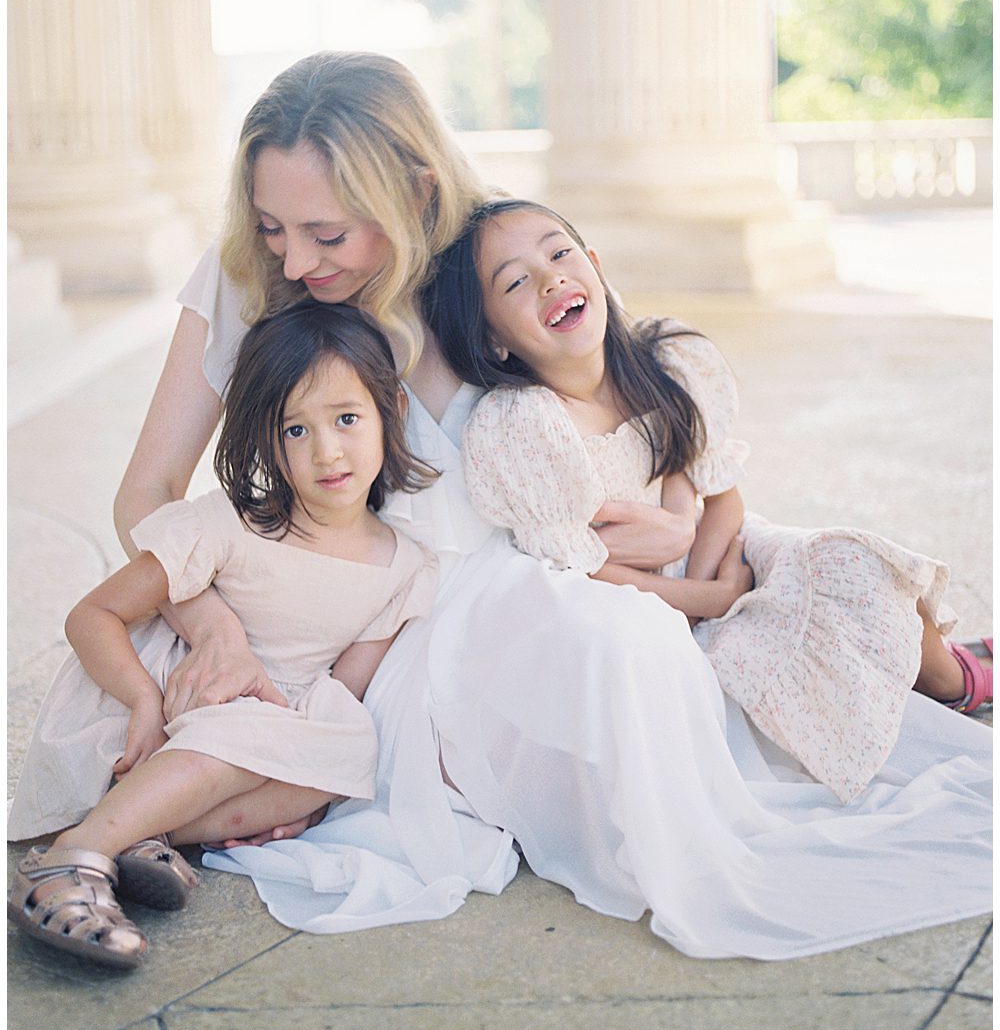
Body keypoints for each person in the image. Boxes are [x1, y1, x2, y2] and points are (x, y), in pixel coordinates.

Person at [94, 51, 989, 960]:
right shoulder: (252, 272)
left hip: (591, 531)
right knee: (620, 642)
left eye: (326, 233)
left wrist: (680, 511)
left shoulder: (505, 258)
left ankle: (947, 672)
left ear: (414, 189)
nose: (295, 257)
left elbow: (650, 392)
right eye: (271, 222)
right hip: (419, 606)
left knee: (834, 572)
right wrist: (211, 626)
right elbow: (148, 494)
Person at [422, 198, 993, 803]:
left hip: (716, 552)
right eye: (515, 282)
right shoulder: (528, 428)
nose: (550, 278)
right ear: (494, 339)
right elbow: (583, 571)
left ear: (595, 266)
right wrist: (707, 601)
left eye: (560, 253)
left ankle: (951, 674)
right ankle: (951, 676)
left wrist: (705, 563)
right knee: (782, 640)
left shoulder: (664, 362)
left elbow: (723, 499)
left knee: (851, 566)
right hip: (639, 604)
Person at [7, 300, 439, 968]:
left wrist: (308, 781)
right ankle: (71, 858)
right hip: (146, 717)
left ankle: (133, 832)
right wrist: (145, 703)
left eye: (347, 419)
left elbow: (339, 694)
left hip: (257, 729)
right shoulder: (224, 524)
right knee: (249, 737)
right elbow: (90, 616)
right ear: (267, 443)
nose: (326, 450)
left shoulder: (405, 565)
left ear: (392, 414)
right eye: (296, 430)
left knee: (349, 747)